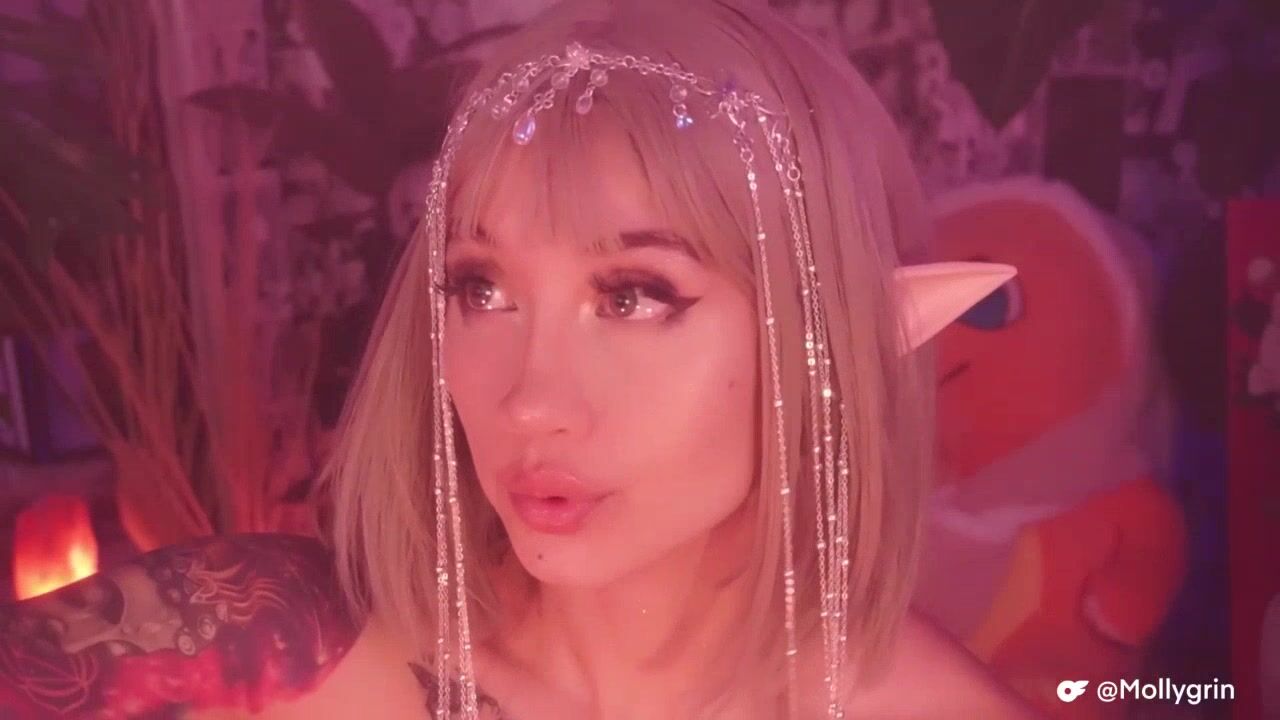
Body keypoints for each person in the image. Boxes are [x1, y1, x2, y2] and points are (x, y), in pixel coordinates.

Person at [0, 0, 1037, 717]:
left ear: (833, 341)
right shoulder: (246, 640)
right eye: (480, 288)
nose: (530, 402)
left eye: (633, 296)